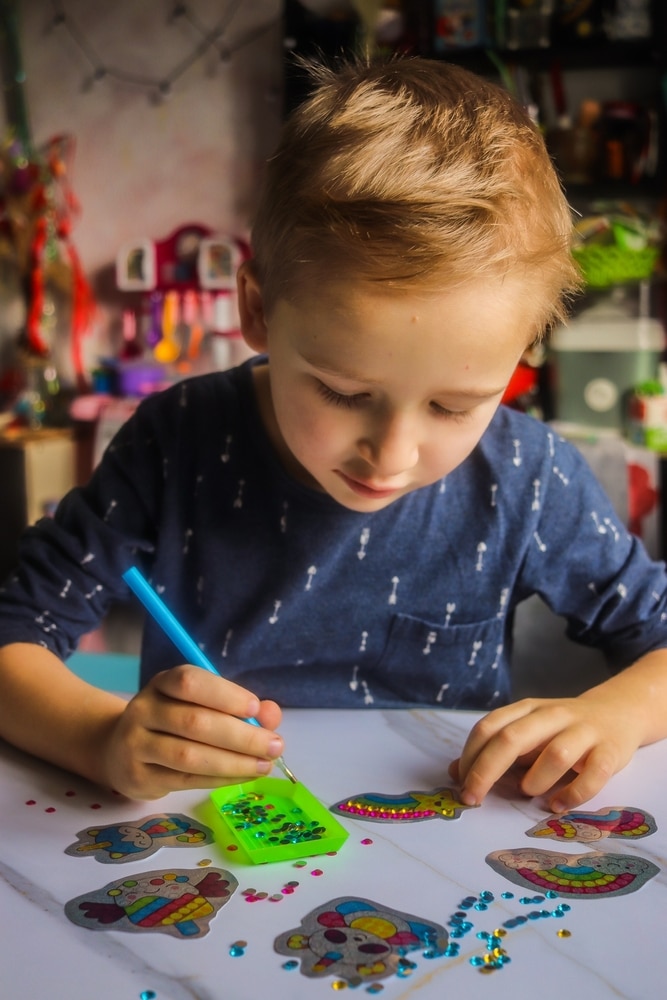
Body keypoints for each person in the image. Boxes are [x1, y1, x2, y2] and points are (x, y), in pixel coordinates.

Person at [1, 57, 667, 811]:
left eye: (452, 407)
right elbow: (15, 634)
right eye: (343, 392)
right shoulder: (176, 440)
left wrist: (615, 713)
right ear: (256, 311)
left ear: (523, 349)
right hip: (207, 844)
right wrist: (101, 740)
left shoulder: (528, 474)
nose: (391, 455)